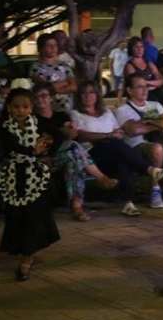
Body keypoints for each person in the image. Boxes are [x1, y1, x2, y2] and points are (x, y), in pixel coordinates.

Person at [70, 81, 163, 217]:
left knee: (121, 159)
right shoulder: (75, 114)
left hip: (112, 151)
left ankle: (128, 204)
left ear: (97, 95)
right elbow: (80, 135)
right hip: (91, 155)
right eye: (84, 93)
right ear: (79, 96)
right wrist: (107, 135)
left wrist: (114, 135)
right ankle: (149, 169)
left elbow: (119, 132)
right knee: (112, 144)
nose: (88, 96)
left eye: (91, 92)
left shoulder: (106, 112)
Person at [0, 88, 60, 282]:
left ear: (31, 108)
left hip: (36, 177)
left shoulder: (39, 123)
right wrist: (33, 151)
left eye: (25, 107)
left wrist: (47, 146)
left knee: (34, 216)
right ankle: (25, 252)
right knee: (19, 217)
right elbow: (11, 147)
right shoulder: (4, 127)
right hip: (15, 177)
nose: (20, 111)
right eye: (16, 107)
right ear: (9, 107)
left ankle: (26, 259)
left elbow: (57, 135)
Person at [32, 83, 117, 221]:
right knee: (73, 148)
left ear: (51, 98)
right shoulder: (32, 120)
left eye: (44, 96)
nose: (40, 99)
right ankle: (100, 178)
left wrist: (68, 131)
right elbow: (34, 146)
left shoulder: (61, 116)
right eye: (36, 97)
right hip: (43, 160)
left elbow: (72, 134)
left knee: (73, 158)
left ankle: (77, 207)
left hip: (62, 155)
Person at [114, 73, 163, 207]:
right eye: (140, 87)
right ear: (129, 90)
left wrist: (148, 122)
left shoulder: (155, 105)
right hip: (138, 146)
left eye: (146, 86)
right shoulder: (122, 110)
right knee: (156, 148)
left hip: (162, 142)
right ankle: (155, 189)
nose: (145, 90)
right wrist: (158, 123)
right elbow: (133, 130)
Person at [30, 33, 77, 112]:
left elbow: (74, 87)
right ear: (40, 48)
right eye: (49, 45)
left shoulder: (65, 65)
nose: (53, 48)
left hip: (67, 110)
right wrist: (65, 83)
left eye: (55, 45)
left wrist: (55, 88)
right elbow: (46, 88)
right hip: (48, 111)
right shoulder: (36, 67)